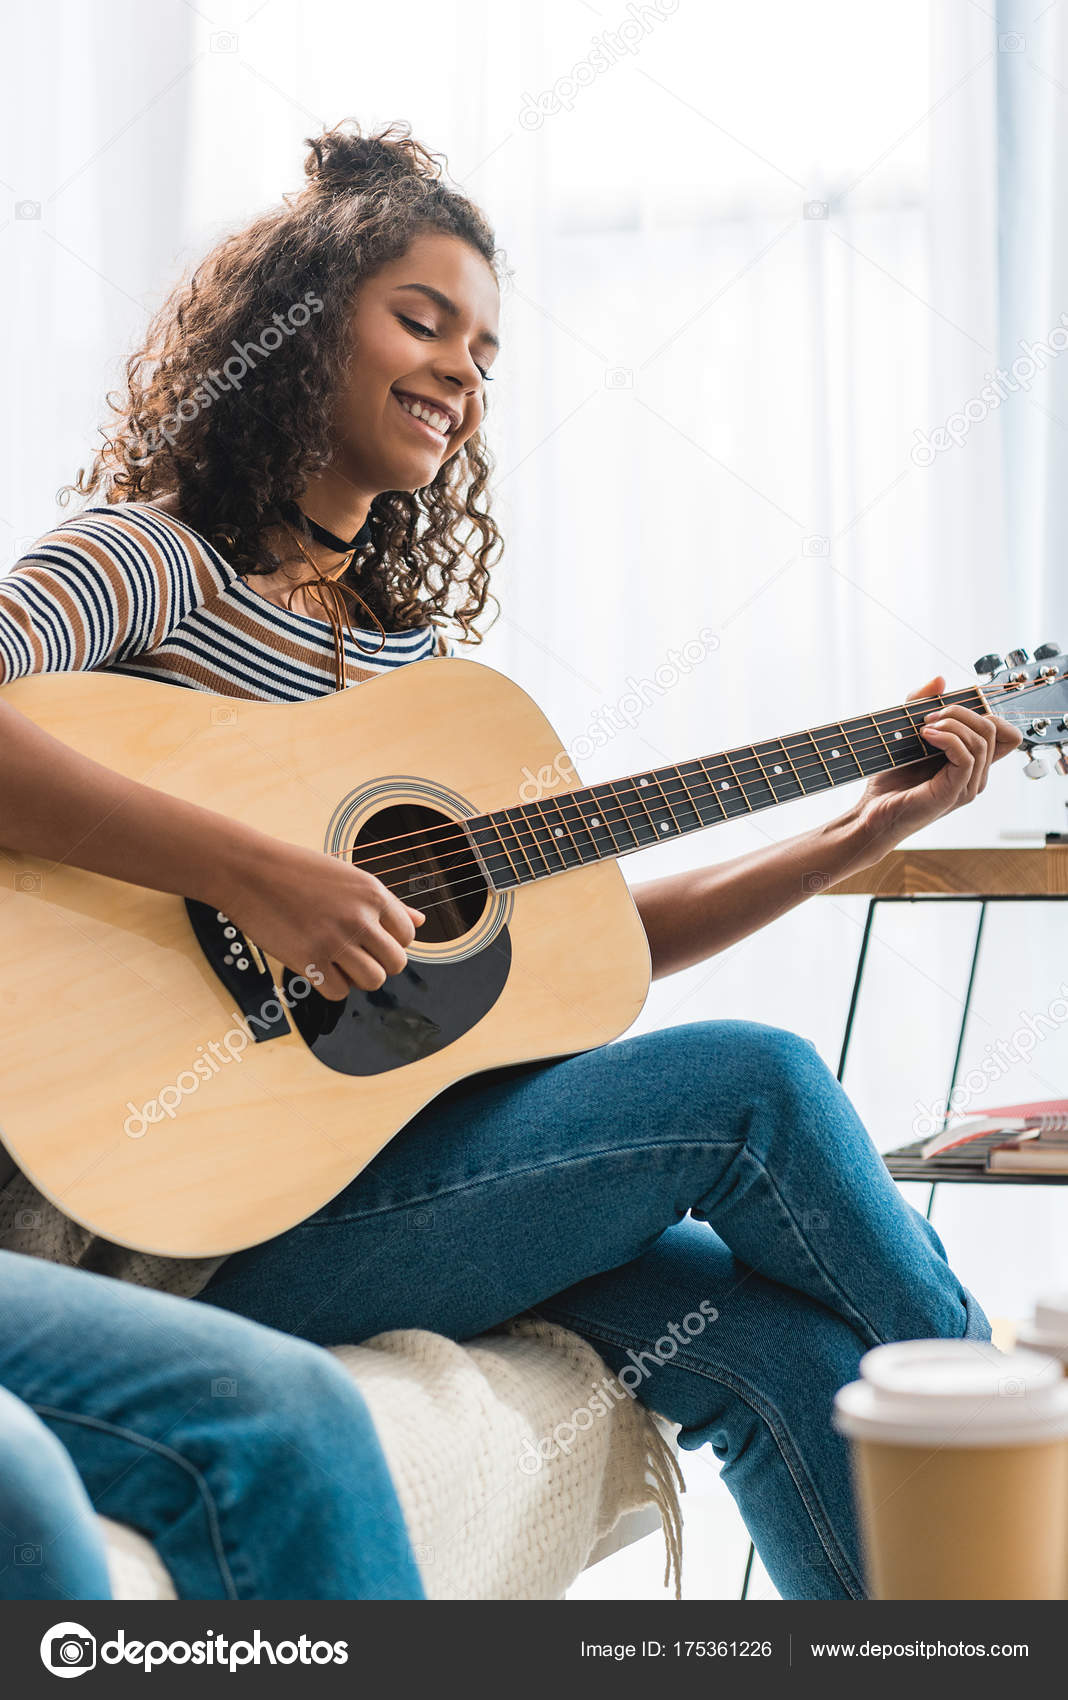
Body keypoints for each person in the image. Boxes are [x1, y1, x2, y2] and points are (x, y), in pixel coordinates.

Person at [0, 118, 1021, 1601]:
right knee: (761, 1082)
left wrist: (850, 835)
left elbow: (574, 956)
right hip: (163, 1225)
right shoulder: (153, 559)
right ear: (292, 331)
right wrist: (259, 874)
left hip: (352, 1183)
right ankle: (1023, 1462)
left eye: (484, 351)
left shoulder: (419, 678)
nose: (461, 371)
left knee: (780, 1345)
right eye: (422, 318)